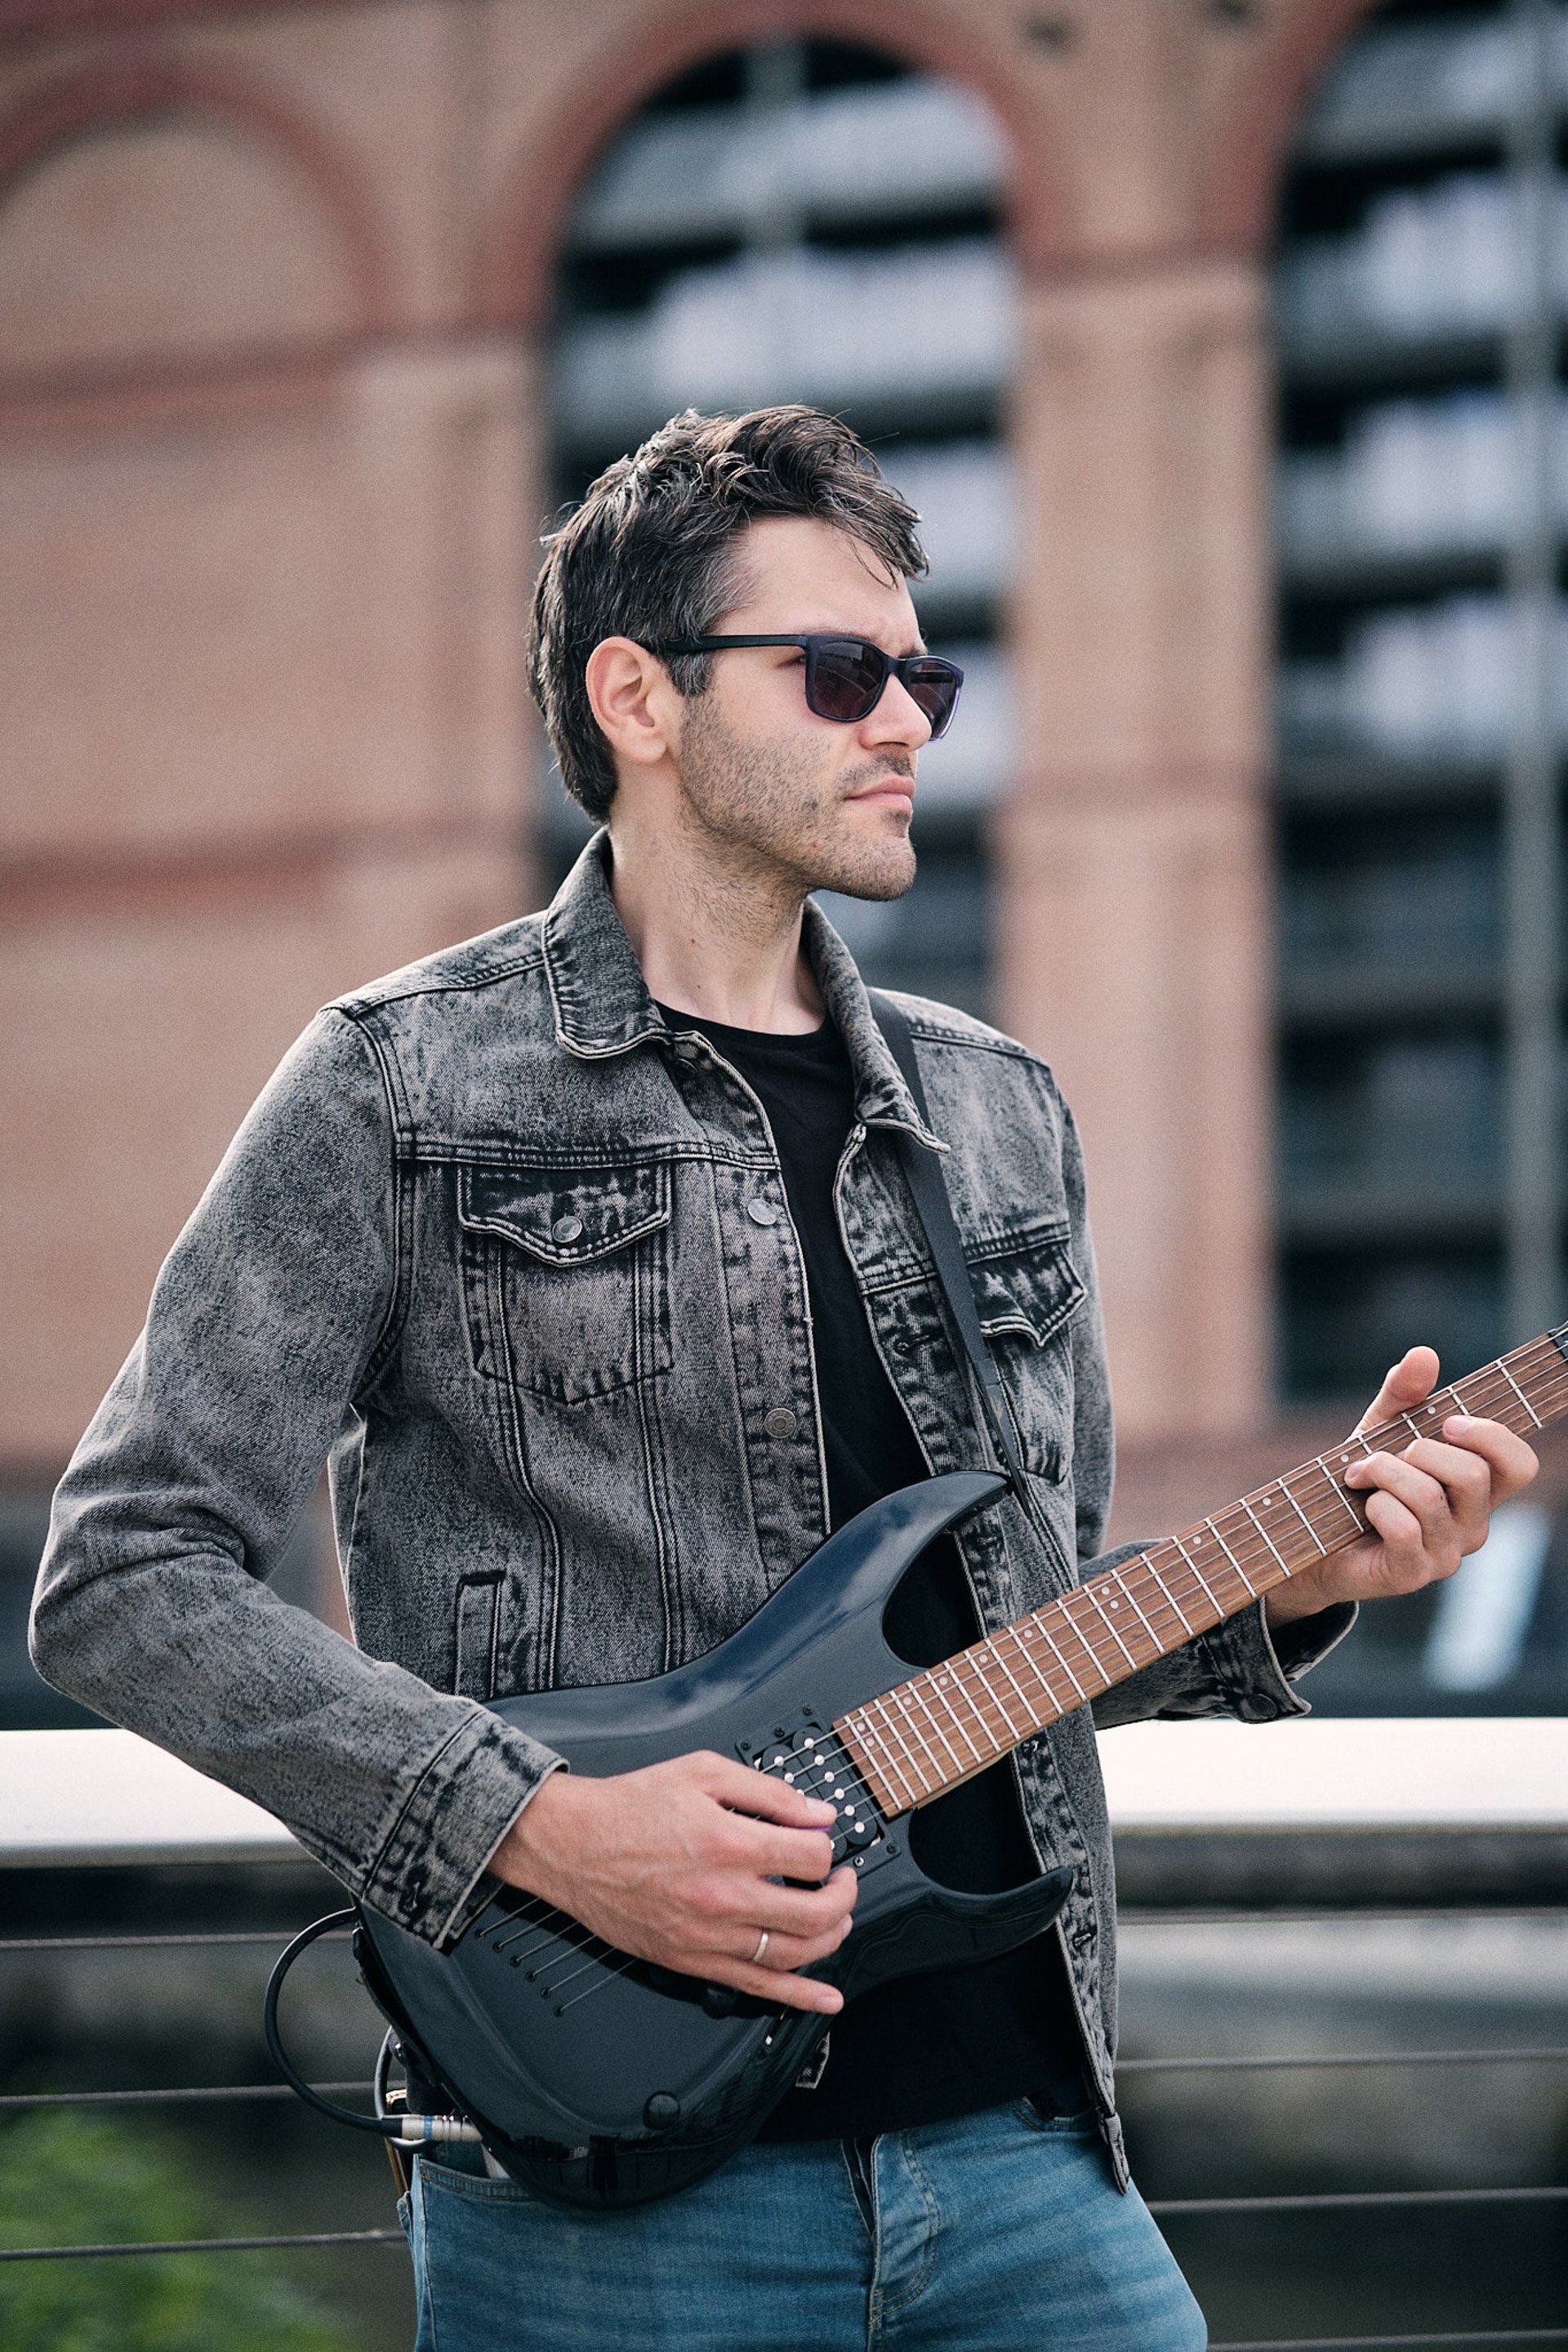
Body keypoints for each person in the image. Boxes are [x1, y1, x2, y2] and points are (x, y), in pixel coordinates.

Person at [32, 406, 1537, 2351]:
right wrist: (532, 1823)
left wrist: (1301, 1581)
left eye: (924, 672)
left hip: (1026, 2159)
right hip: (610, 2198)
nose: (905, 718)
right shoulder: (399, 1086)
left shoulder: (1002, 1114)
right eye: (840, 672)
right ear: (639, 698)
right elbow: (127, 1571)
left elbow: (1024, 1643)